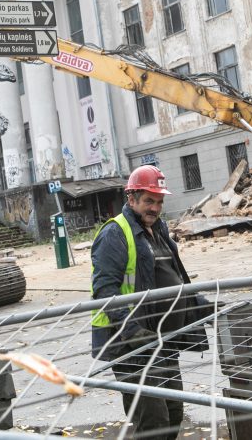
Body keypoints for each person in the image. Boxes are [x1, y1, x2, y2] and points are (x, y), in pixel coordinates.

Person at [90, 165, 209, 440]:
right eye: (148, 201)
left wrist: (204, 305)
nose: (155, 208)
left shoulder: (159, 229)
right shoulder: (115, 234)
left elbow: (174, 277)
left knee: (173, 415)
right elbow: (105, 292)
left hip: (163, 342)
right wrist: (132, 332)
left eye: (159, 201)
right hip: (134, 347)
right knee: (153, 424)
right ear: (131, 198)